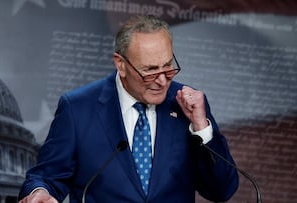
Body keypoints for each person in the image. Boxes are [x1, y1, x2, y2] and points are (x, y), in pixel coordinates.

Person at [18, 15, 239, 203]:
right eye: (150, 70)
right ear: (121, 65)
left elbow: (222, 190)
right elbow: (46, 176)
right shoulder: (78, 109)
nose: (162, 81)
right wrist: (40, 192)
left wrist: (201, 127)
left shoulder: (189, 105)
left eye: (168, 66)